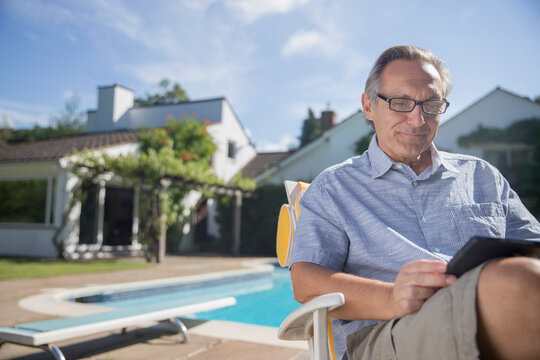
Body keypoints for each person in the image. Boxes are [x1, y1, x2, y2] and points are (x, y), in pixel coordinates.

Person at [289, 45, 540, 360]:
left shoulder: (481, 176)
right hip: (385, 334)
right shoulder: (334, 187)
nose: (418, 119)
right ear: (368, 106)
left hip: (491, 305)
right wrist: (392, 296)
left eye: (432, 104)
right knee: (519, 285)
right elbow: (305, 282)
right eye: (401, 102)